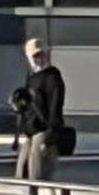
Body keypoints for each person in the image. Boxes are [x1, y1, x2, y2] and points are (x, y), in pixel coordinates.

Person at [12, 37, 66, 181]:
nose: (39, 59)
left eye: (41, 55)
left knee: (37, 174)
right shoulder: (31, 78)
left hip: (43, 131)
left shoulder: (52, 77)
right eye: (35, 55)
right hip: (31, 132)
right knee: (22, 172)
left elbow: (56, 104)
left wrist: (50, 134)